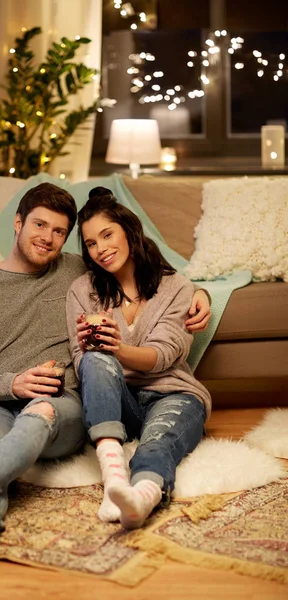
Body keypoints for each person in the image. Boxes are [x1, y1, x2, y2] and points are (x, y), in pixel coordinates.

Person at [0, 182, 210, 559]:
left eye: (59, 231)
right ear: (17, 223)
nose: (48, 238)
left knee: (42, 410)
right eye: (39, 225)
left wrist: (201, 295)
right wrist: (13, 383)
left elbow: (154, 275)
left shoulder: (83, 270)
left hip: (55, 401)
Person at [66, 187, 212, 530]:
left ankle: (142, 499)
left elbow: (164, 355)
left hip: (173, 393)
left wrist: (119, 349)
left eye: (107, 235)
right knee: (92, 360)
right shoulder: (82, 290)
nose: (100, 249)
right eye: (90, 243)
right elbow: (79, 360)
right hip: (119, 404)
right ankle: (114, 476)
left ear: (129, 231)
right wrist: (100, 351)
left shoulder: (175, 287)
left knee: (157, 441)